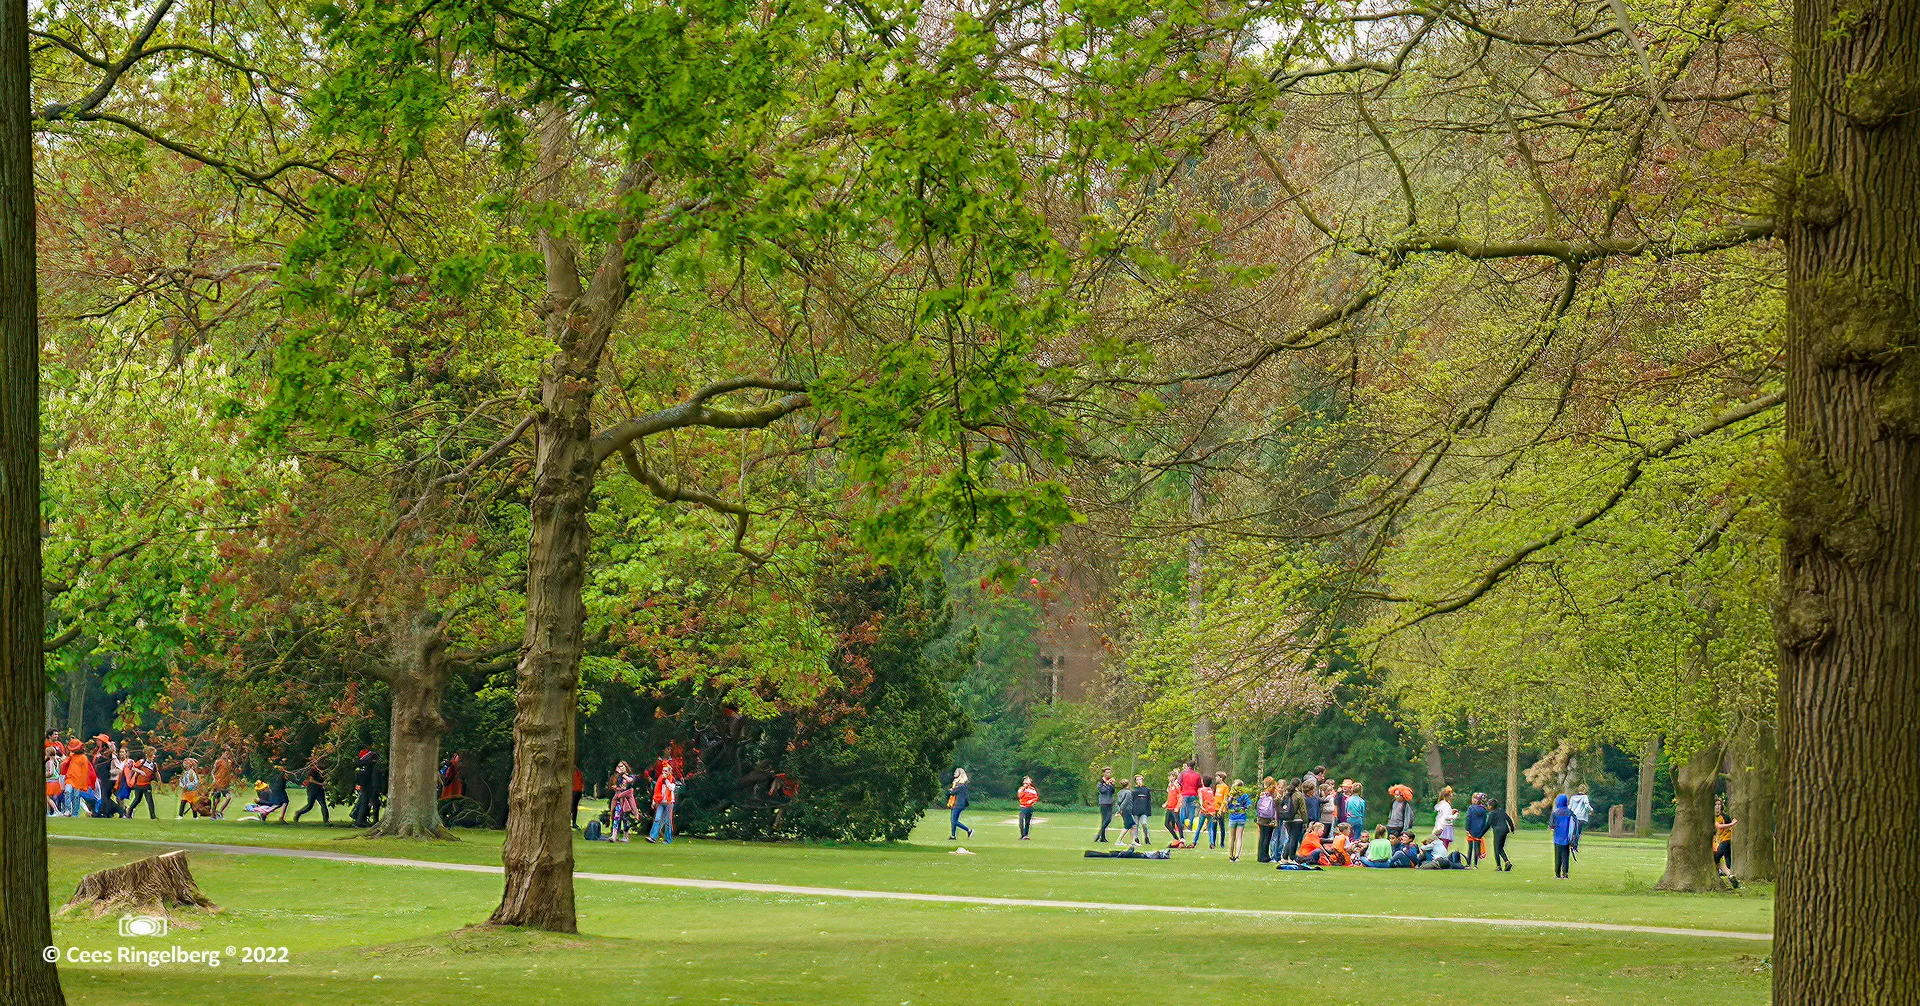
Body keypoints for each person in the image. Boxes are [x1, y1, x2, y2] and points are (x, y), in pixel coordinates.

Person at [1713, 798, 1741, 888]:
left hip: (1726, 841)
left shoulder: (1724, 817)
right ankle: (1731, 876)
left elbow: (1720, 826)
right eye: (1715, 805)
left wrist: (1732, 825)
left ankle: (1720, 874)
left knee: (1715, 858)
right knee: (1722, 861)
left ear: (1721, 807)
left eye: (1719, 805)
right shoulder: (1712, 817)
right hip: (1720, 841)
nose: (1717, 807)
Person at [293, 758, 330, 825]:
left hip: (320, 791)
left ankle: (326, 821)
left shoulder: (319, 772)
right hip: (312, 790)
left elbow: (323, 777)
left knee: (323, 805)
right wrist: (321, 784)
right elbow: (311, 780)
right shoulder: (311, 771)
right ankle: (298, 813)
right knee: (309, 806)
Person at [123, 748, 157, 819]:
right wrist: (140, 771)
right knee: (137, 800)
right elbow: (133, 768)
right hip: (139, 785)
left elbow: (156, 773)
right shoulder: (142, 762)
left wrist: (159, 782)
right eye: (153, 754)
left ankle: (153, 816)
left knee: (150, 800)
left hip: (147, 785)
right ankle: (129, 812)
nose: (154, 756)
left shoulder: (153, 764)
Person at [348, 749, 378, 828]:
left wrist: (357, 784)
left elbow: (357, 775)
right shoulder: (369, 765)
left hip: (362, 785)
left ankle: (357, 816)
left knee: (362, 802)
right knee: (364, 803)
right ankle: (359, 821)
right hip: (367, 786)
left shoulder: (360, 765)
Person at [647, 765, 677, 844]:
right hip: (660, 802)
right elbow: (656, 790)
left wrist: (666, 780)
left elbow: (671, 788)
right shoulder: (660, 779)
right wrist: (654, 800)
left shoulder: (672, 779)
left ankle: (668, 839)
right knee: (657, 819)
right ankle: (652, 837)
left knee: (668, 821)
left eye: (666, 771)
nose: (664, 772)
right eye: (663, 771)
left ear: (670, 772)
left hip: (669, 803)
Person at [1254, 778, 1279, 864]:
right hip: (1268, 818)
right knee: (1267, 837)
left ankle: (1260, 855)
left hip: (1261, 818)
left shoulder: (1262, 794)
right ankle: (1265, 856)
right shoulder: (1272, 794)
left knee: (1262, 837)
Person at [1551, 793, 1576, 879]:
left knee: (1557, 856)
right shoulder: (1570, 812)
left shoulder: (1555, 812)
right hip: (1567, 838)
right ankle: (1565, 873)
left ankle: (1557, 874)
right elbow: (1574, 823)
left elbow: (1551, 825)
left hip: (1557, 837)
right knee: (1565, 855)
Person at [1488, 798, 1516, 872]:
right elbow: (1509, 819)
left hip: (1498, 832)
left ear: (1491, 806)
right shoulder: (1501, 811)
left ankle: (1498, 866)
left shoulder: (1492, 813)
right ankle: (1507, 862)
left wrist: (1480, 834)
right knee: (1500, 848)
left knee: (1496, 849)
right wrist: (1512, 828)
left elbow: (1487, 825)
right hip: (1505, 831)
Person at [1225, 780, 1251, 862]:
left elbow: (1227, 805)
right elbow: (1249, 805)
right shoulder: (1244, 795)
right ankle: (1237, 856)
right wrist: (1243, 809)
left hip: (1233, 818)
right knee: (1239, 837)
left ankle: (1230, 855)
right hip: (1241, 817)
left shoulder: (1231, 795)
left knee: (1232, 838)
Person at [1176, 761, 1203, 835]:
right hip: (1193, 794)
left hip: (1184, 793)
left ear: (1187, 766)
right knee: (1192, 810)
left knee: (1183, 810)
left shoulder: (1183, 773)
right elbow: (1199, 785)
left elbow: (1178, 783)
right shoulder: (1197, 775)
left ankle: (1181, 826)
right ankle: (1189, 827)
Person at [1464, 792, 1490, 868]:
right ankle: (1475, 864)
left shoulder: (1471, 808)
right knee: (1477, 848)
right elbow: (1485, 821)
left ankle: (1468, 864)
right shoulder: (1484, 810)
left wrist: (1467, 828)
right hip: (1479, 831)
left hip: (1471, 830)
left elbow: (1468, 818)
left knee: (1470, 848)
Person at [211, 748, 237, 820]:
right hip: (218, 783)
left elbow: (231, 771)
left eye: (228, 754)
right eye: (226, 753)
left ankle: (220, 812)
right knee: (217, 800)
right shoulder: (218, 762)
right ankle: (213, 815)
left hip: (226, 784)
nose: (227, 755)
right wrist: (214, 780)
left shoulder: (229, 762)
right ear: (222, 753)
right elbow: (213, 772)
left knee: (228, 798)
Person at [946, 768, 972, 841]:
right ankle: (953, 836)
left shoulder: (960, 785)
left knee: (954, 821)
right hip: (954, 804)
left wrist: (951, 790)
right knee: (953, 820)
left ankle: (969, 830)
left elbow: (952, 792)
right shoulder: (957, 784)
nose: (954, 773)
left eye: (956, 772)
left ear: (960, 774)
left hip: (958, 805)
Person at [1196, 777, 1220, 849]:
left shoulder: (1200, 790)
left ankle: (1194, 841)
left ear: (1203, 782)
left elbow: (1201, 798)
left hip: (1204, 810)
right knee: (1210, 828)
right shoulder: (1211, 790)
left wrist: (1201, 806)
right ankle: (1212, 843)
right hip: (1211, 810)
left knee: (1199, 827)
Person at [1095, 768, 1117, 843]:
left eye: (1110, 773)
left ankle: (1100, 835)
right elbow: (1102, 790)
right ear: (1103, 773)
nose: (1109, 774)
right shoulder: (1100, 782)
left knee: (1108, 819)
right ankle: (1101, 837)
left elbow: (1113, 791)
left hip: (1110, 802)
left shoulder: (1110, 782)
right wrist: (1107, 783)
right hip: (1103, 802)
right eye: (1107, 772)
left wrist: (1112, 785)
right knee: (1104, 820)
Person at [1129, 774, 1153, 844]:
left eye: (1140, 779)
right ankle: (1136, 838)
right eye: (1137, 780)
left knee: (1144, 824)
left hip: (1144, 810)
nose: (1139, 781)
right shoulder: (1134, 790)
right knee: (1135, 825)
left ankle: (1146, 837)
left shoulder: (1146, 789)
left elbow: (1149, 801)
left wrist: (1149, 811)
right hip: (1135, 810)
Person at [1569, 786, 1593, 852]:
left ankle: (1572, 843)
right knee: (1578, 832)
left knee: (1573, 831)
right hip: (1581, 816)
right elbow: (1587, 806)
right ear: (1584, 790)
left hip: (1573, 816)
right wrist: (1591, 810)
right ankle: (1574, 846)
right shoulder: (1584, 797)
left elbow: (1570, 807)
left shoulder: (1573, 797)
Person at [1161, 772, 1182, 844]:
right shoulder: (1169, 785)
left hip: (1174, 808)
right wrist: (1166, 803)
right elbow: (1170, 796)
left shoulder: (1176, 785)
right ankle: (1176, 838)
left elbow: (1180, 797)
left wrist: (1177, 807)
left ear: (1174, 777)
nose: (1168, 778)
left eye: (1170, 776)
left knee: (1177, 822)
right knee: (1166, 823)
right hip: (1169, 808)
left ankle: (1182, 838)